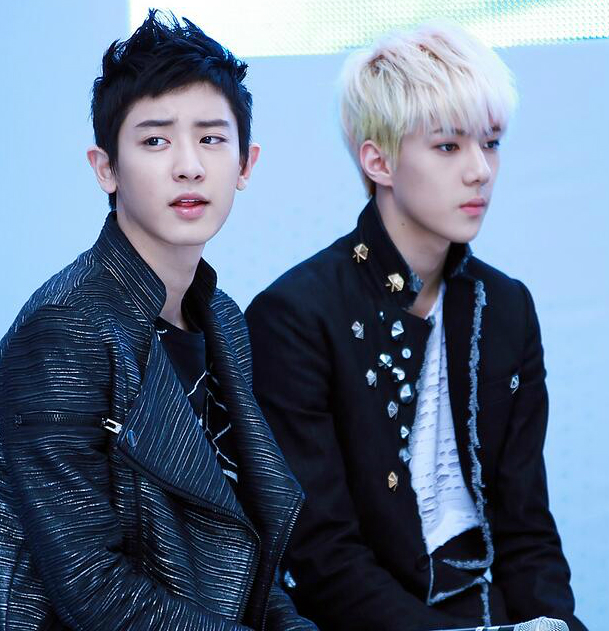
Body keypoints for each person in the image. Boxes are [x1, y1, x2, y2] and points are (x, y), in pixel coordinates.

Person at [0, 10, 316, 631]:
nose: (189, 166)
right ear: (105, 167)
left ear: (246, 164)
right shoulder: (63, 332)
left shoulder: (223, 322)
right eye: (155, 140)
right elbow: (93, 588)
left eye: (211, 139)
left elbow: (250, 564)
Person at [245, 21, 586, 631]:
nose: (481, 170)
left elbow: (527, 528)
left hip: (491, 609)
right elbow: (322, 558)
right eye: (449, 147)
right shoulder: (295, 316)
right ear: (378, 161)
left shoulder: (506, 307)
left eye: (492, 143)